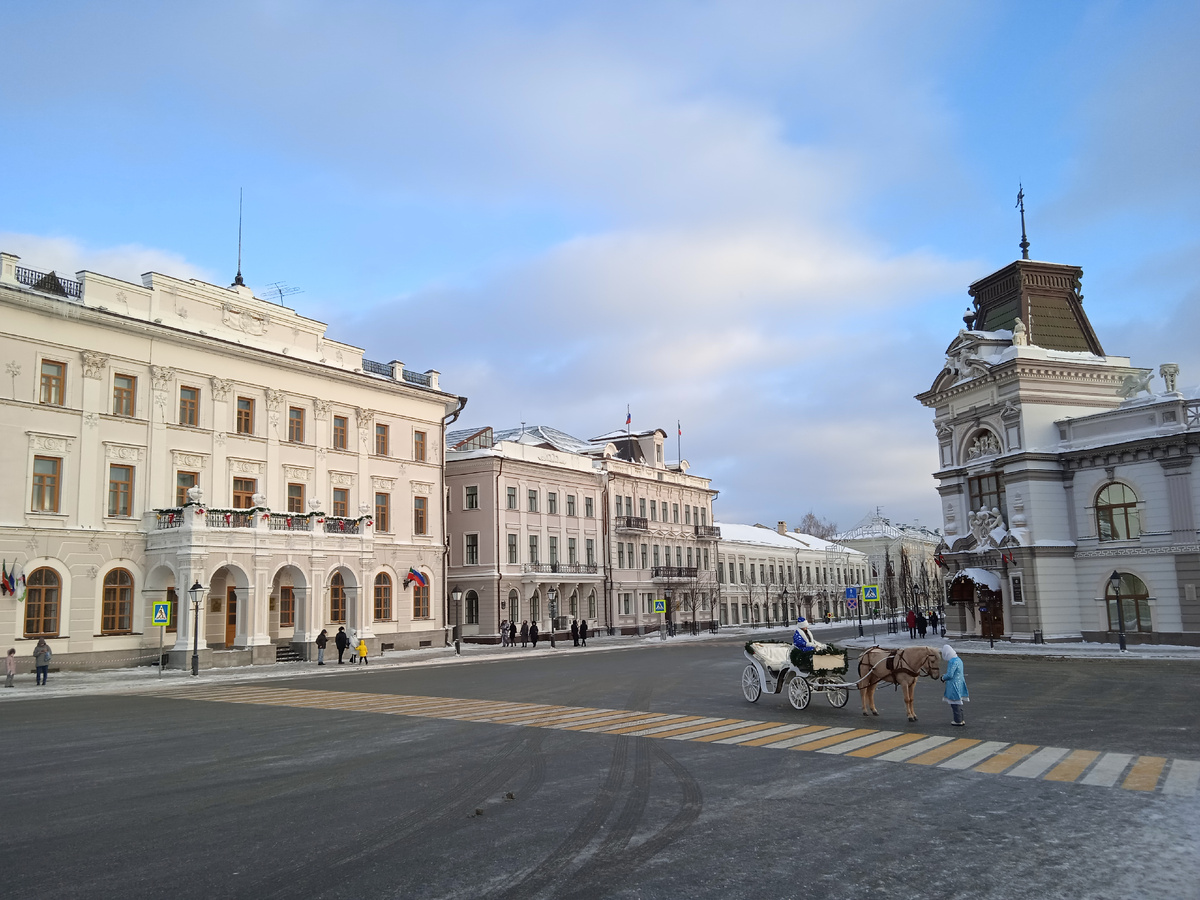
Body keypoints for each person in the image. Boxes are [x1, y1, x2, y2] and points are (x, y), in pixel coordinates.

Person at [941, 645, 969, 726]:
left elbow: (950, 675)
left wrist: (943, 677)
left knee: (954, 703)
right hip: (960, 683)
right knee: (959, 702)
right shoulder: (958, 659)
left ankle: (958, 720)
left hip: (953, 684)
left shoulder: (952, 661)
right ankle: (961, 719)